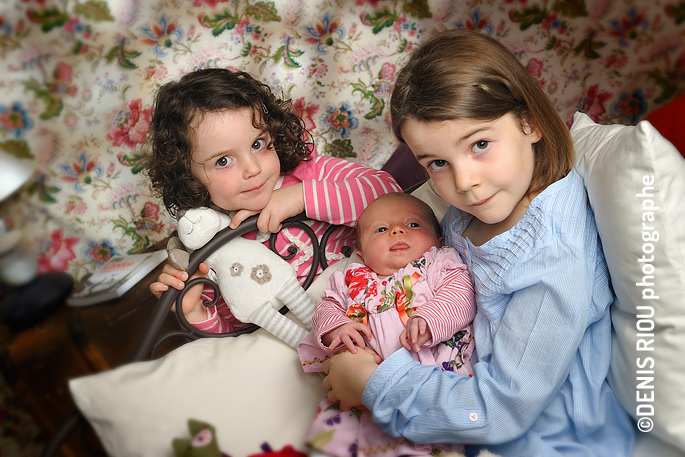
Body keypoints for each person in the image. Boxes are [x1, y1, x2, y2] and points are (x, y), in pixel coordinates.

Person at [320, 30, 636, 457]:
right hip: (452, 417)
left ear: (531, 122)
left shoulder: (552, 256)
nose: (465, 181)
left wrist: (372, 382)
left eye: (480, 144)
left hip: (547, 444)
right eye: (438, 163)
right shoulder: (472, 211)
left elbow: (500, 410)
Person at [145, 68, 401, 332]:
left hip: (387, 308)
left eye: (257, 144)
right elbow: (234, 333)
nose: (253, 169)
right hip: (308, 345)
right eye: (223, 161)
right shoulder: (211, 245)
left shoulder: (309, 172)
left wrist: (301, 196)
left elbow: (392, 195)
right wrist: (195, 313)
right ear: (187, 174)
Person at [298, 192, 476, 457]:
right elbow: (325, 308)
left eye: (413, 225)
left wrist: (430, 318)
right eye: (381, 229)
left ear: (438, 241)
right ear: (361, 253)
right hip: (358, 398)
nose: (398, 230)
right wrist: (338, 327)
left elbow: (460, 293)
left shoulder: (439, 263)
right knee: (336, 443)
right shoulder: (349, 280)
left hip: (430, 380)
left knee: (433, 443)